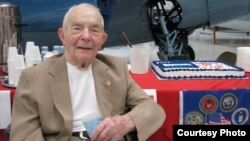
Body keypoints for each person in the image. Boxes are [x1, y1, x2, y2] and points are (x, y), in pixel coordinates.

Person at [10, 3, 166, 141]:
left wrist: (126, 122)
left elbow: (153, 110)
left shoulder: (116, 69)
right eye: (77, 28)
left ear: (102, 40)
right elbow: (24, 135)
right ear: (62, 36)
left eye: (94, 30)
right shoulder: (34, 77)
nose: (86, 36)